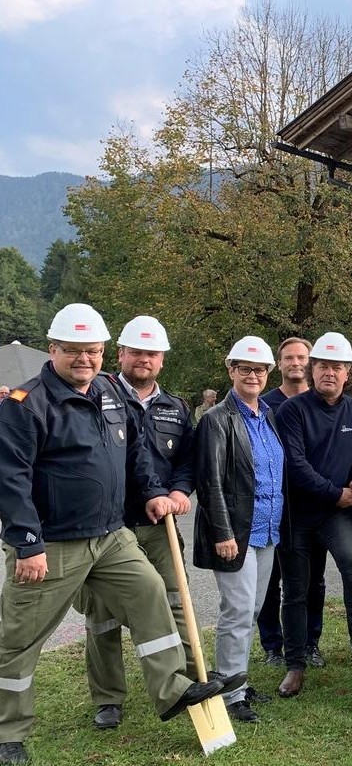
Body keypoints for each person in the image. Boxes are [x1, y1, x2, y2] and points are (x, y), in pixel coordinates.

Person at [0, 304, 228, 765]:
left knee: (150, 593)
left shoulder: (107, 390)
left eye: (92, 351)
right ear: (54, 350)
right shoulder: (26, 405)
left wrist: (151, 491)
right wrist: (27, 543)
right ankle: (8, 731)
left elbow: (136, 449)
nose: (84, 359)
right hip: (54, 543)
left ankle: (171, 690)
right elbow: (10, 479)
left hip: (110, 535)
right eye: (74, 352)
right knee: (19, 637)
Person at [77, 316, 200, 731]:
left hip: (160, 524)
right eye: (136, 352)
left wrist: (181, 491)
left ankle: (188, 680)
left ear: (161, 360)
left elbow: (187, 460)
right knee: (103, 617)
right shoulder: (99, 396)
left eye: (152, 353)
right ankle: (108, 699)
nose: (144, 359)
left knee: (175, 601)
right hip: (111, 524)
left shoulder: (177, 407)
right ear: (121, 355)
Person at [274, 332, 352, 698]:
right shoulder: (292, 411)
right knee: (297, 590)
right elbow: (295, 464)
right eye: (322, 366)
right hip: (299, 514)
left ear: (348, 372)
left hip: (336, 514)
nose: (329, 373)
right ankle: (295, 665)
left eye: (336, 367)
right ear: (312, 368)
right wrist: (335, 493)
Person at [192, 336, 285, 723]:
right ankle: (231, 694)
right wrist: (223, 533)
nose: (252, 375)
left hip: (266, 530)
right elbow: (210, 481)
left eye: (260, 369)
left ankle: (238, 681)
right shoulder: (217, 420)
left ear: (268, 374)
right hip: (235, 534)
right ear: (231, 370)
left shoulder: (268, 416)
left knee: (253, 609)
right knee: (238, 610)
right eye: (244, 368)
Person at [256, 337, 327, 670]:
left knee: (314, 579)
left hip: (312, 506)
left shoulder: (322, 402)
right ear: (279, 364)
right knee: (272, 580)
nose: (296, 362)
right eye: (289, 358)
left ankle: (311, 643)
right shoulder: (265, 404)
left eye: (303, 357)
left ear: (311, 362)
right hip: (274, 505)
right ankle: (272, 645)